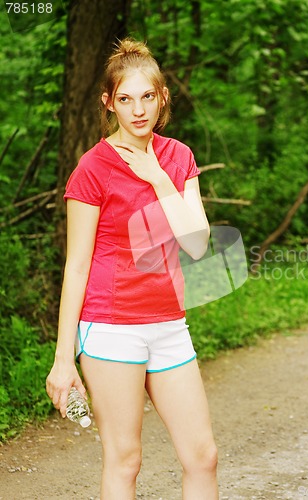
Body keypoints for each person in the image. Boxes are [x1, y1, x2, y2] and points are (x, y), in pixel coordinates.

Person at [46, 38, 218, 500]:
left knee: (202, 456)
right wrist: (64, 361)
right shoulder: (92, 169)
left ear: (162, 97)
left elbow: (198, 245)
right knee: (126, 460)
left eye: (147, 97)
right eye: (125, 98)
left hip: (169, 325)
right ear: (109, 102)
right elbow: (77, 266)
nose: (137, 110)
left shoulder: (178, 157)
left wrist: (158, 176)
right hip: (110, 328)